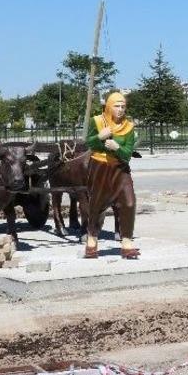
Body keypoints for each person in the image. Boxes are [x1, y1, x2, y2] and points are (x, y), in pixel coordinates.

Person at [83, 91, 139, 259]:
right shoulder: (97, 121)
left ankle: (126, 242)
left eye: (123, 106)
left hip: (120, 170)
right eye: (116, 106)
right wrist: (100, 136)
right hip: (100, 168)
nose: (120, 109)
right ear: (108, 106)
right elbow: (89, 143)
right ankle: (92, 237)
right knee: (97, 204)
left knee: (129, 203)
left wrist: (117, 148)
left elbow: (128, 153)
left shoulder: (128, 126)